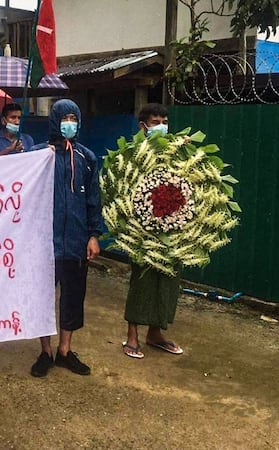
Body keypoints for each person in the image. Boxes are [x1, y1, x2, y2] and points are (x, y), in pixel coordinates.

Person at [28, 99, 103, 378]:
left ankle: (64, 351)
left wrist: (94, 235)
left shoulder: (87, 158)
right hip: (43, 243)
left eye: (74, 118)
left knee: (72, 297)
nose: (69, 123)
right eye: (64, 118)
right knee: (43, 298)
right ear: (54, 120)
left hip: (75, 241)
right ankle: (45, 351)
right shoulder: (38, 155)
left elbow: (94, 200)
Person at [121, 103, 183, 360]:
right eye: (156, 122)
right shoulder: (133, 155)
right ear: (143, 126)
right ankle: (132, 335)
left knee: (167, 281)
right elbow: (122, 190)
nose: (162, 126)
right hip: (142, 231)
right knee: (142, 282)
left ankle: (155, 333)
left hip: (172, 230)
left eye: (164, 122)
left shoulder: (178, 153)